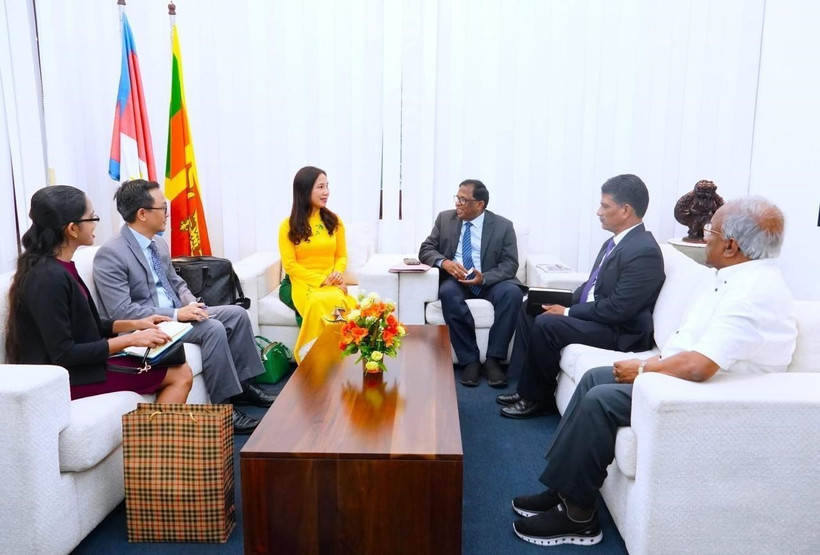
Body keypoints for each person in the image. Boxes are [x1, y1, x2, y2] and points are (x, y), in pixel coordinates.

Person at [510, 197, 797, 547]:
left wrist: (645, 367)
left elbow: (699, 365)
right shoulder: (735, 276)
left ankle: (578, 515)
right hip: (687, 375)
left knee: (601, 399)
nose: (705, 238)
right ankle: (561, 488)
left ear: (732, 245)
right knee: (594, 377)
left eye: (710, 231)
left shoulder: (751, 292)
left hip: (711, 390)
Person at [93, 179, 273, 434]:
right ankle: (224, 409)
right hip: (149, 326)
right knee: (212, 328)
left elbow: (177, 283)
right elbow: (121, 311)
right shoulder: (111, 254)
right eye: (163, 207)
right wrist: (177, 314)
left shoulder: (158, 243)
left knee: (235, 314)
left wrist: (191, 303)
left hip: (179, 314)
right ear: (142, 214)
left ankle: (245, 386)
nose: (168, 213)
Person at [498, 174, 665, 418]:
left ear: (626, 210)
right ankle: (525, 388)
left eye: (605, 206)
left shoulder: (644, 252)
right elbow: (591, 287)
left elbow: (619, 308)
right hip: (601, 317)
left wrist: (566, 311)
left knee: (548, 323)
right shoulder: (615, 242)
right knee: (531, 306)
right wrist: (563, 300)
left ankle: (538, 399)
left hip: (621, 331)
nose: (599, 212)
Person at [5, 185, 192, 403]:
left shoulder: (60, 267)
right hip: (64, 378)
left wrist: (134, 324)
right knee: (180, 374)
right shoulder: (47, 278)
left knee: (175, 363)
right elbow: (64, 353)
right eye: (91, 218)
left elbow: (83, 324)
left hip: (81, 367)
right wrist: (131, 340)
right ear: (72, 229)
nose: (95, 224)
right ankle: (156, 438)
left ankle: (156, 434)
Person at [419, 179, 525, 387]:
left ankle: (494, 359)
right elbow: (426, 249)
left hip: (489, 280)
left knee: (512, 294)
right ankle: (470, 361)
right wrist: (445, 263)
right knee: (448, 293)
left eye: (463, 200)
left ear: (480, 204)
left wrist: (484, 277)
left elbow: (510, 264)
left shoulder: (503, 226)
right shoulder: (445, 219)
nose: (457, 203)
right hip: (457, 280)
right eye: (457, 198)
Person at [278, 166, 357, 362]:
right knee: (318, 302)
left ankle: (338, 357)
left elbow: (341, 256)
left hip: (331, 281)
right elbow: (290, 265)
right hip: (302, 283)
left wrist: (337, 274)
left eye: (327, 186)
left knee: (337, 300)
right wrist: (321, 280)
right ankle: (313, 359)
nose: (326, 192)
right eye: (320, 187)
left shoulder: (334, 221)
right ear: (305, 191)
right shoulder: (288, 226)